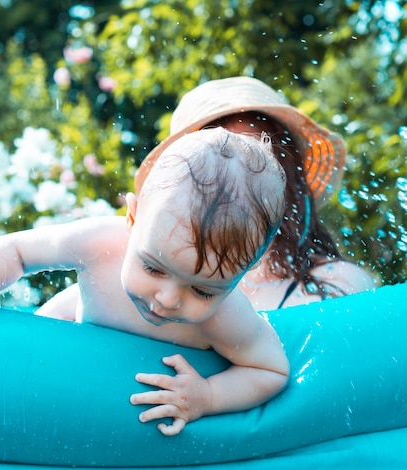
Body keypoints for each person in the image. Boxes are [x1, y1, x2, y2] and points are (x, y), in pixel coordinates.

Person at [0, 127, 290, 436]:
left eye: (204, 290)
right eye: (154, 268)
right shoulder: (102, 245)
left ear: (243, 275)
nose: (169, 298)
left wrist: (208, 396)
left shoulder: (226, 317)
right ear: (133, 219)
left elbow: (271, 370)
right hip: (73, 326)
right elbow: (16, 251)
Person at [132, 76, 377, 312]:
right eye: (215, 162)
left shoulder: (337, 285)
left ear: (287, 176)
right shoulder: (159, 294)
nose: (237, 176)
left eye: (258, 158)